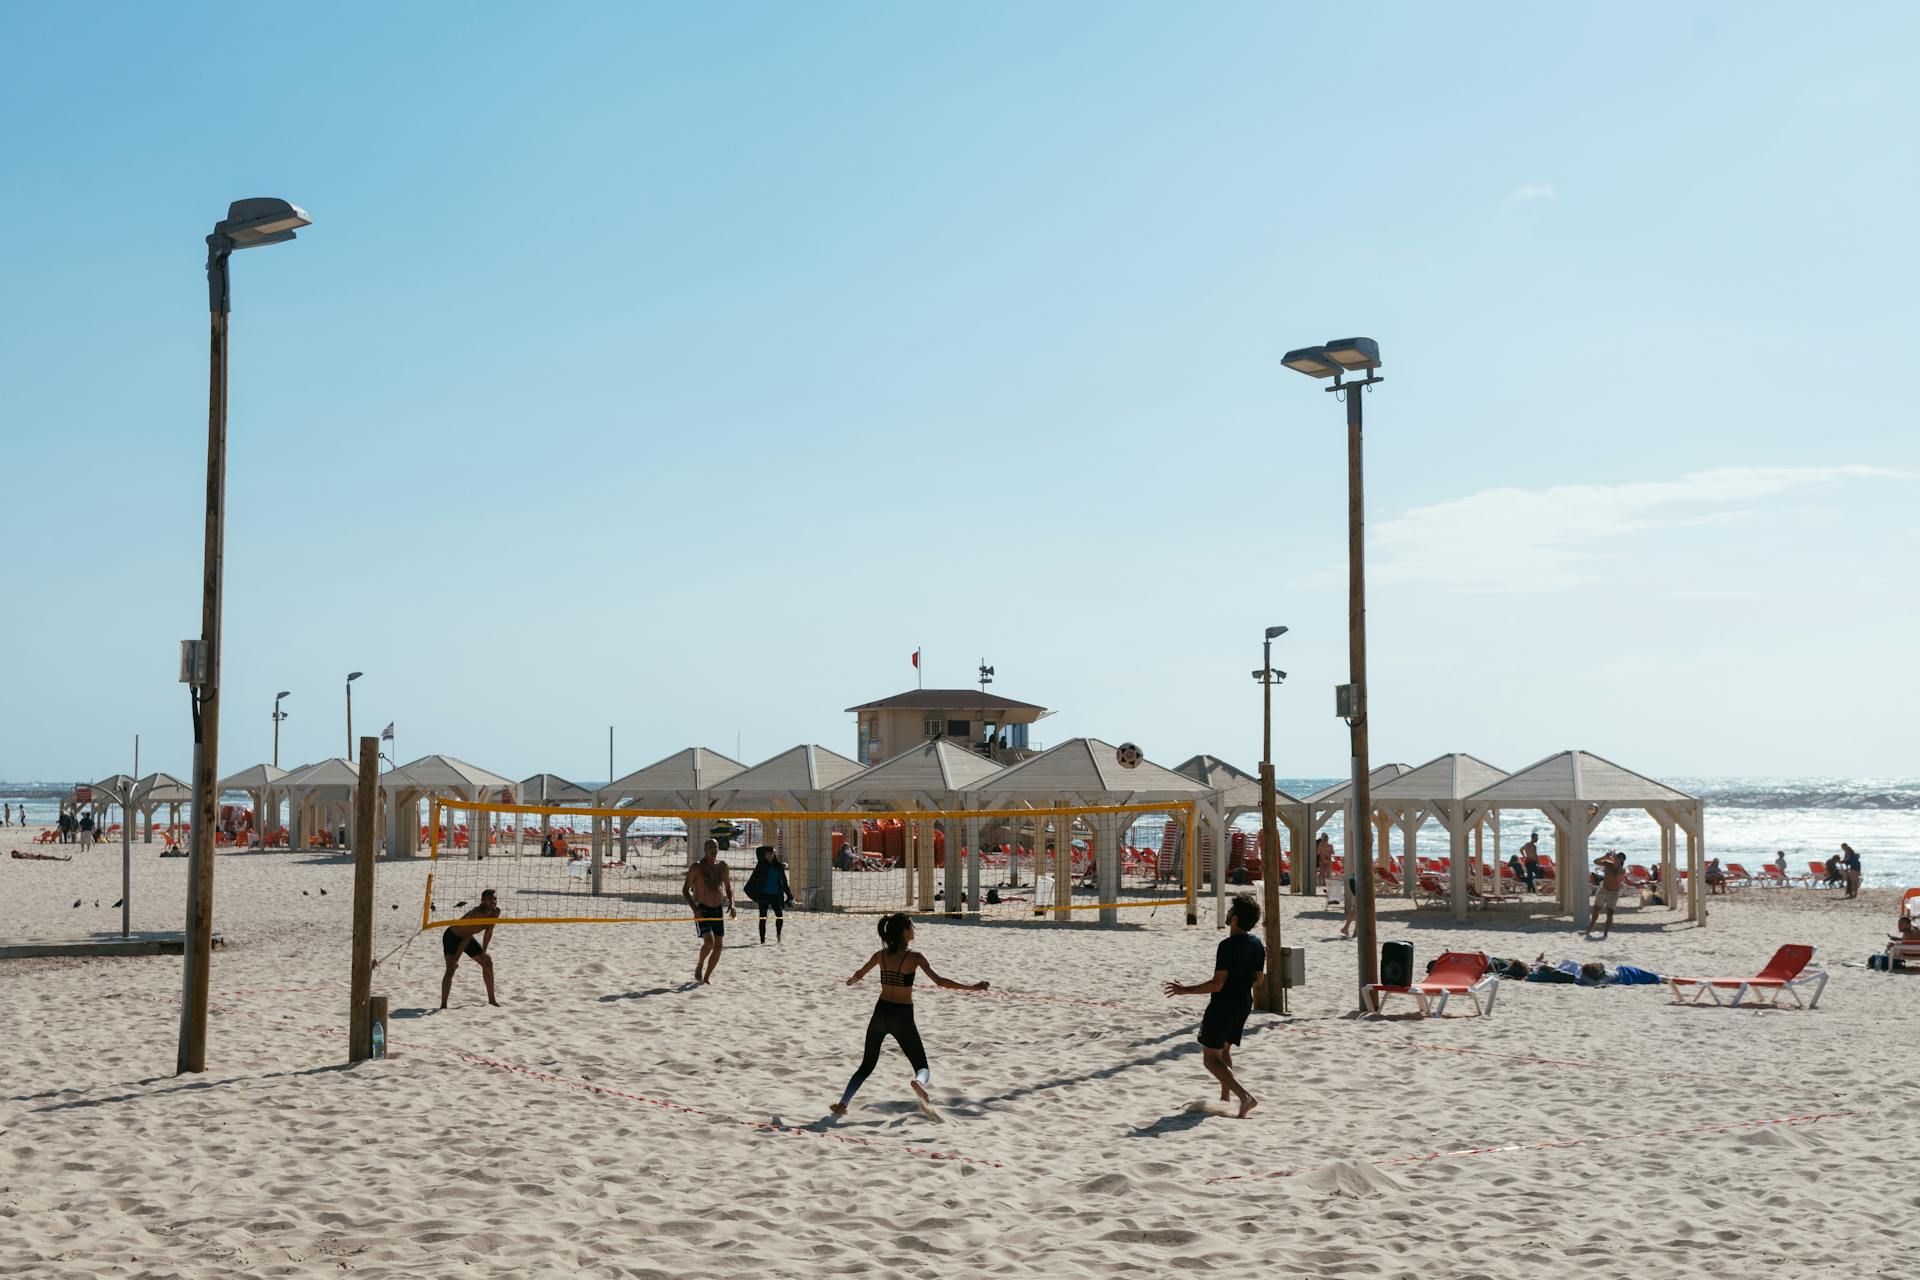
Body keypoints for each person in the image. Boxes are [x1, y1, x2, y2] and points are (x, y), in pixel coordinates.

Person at [831, 912, 987, 1119]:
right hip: (902, 1016)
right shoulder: (914, 957)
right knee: (922, 1066)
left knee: (867, 1065)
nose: (914, 929)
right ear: (905, 932)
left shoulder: (881, 955)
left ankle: (843, 1103)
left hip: (881, 1012)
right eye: (912, 926)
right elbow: (939, 981)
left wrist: (851, 981)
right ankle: (918, 1082)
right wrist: (972, 988)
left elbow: (860, 973)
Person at [1163, 893, 1264, 1118]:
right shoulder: (1257, 943)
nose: (1227, 913)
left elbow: (1217, 984)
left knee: (1210, 1059)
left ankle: (1245, 1096)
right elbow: (1259, 980)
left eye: (1230, 911)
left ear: (1235, 919)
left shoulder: (1227, 946)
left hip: (1224, 1005)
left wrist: (1184, 990)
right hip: (1244, 1003)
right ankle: (1225, 1098)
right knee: (1224, 1050)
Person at [681, 838, 736, 984]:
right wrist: (695, 910)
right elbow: (685, 890)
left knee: (719, 946)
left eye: (716, 847)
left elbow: (728, 888)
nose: (714, 849)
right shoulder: (697, 867)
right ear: (705, 850)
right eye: (711, 847)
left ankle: (706, 977)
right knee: (709, 942)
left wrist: (732, 903)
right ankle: (700, 964)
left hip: (717, 909)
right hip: (702, 909)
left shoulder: (722, 866)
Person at [439, 888, 501, 1009]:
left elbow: (489, 932)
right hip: (453, 937)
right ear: (482, 901)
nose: (492, 902)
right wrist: (456, 957)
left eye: (494, 899)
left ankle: (492, 1000)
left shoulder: (496, 912)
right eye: (489, 899)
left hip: (467, 937)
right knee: (451, 967)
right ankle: (443, 1005)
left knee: (487, 962)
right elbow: (467, 936)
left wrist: (483, 952)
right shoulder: (477, 913)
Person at [743, 844, 794, 944]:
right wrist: (756, 896)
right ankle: (762, 940)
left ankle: (779, 937)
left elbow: (784, 882)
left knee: (779, 916)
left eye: (772, 853)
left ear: (774, 854)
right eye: (768, 853)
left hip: (776, 896)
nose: (770, 855)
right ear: (764, 855)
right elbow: (752, 882)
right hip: (764, 896)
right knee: (763, 918)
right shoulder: (761, 866)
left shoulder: (779, 866)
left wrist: (789, 895)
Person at [1586, 852, 1628, 939]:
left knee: (1609, 913)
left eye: (1618, 858)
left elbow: (1618, 873)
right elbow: (1595, 861)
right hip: (1603, 890)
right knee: (1595, 911)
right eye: (1616, 857)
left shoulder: (1621, 869)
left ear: (1622, 860)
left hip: (1613, 893)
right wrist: (1604, 857)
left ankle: (1605, 933)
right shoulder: (1608, 864)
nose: (1616, 859)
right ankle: (1589, 930)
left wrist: (1616, 862)